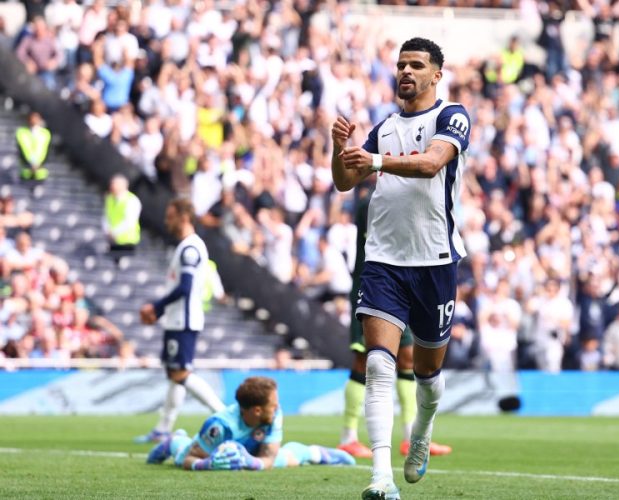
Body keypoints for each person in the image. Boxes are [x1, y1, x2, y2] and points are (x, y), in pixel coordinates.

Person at [331, 37, 470, 499]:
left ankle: (423, 432)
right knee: (378, 365)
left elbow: (431, 164)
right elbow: (344, 182)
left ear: (436, 75)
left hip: (434, 260)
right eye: (401, 65)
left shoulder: (452, 116)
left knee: (427, 373)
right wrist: (340, 150)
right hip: (384, 261)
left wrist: (372, 160)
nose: (406, 72)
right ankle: (381, 476)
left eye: (416, 65)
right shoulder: (384, 127)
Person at [337, 183, 452, 460]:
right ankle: (348, 436)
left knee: (408, 359)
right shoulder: (371, 201)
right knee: (365, 359)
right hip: (376, 285)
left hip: (404, 285)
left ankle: (409, 435)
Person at [135, 198, 225, 443]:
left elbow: (185, 287)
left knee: (180, 373)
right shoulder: (187, 247)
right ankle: (163, 429)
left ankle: (225, 416)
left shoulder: (190, 249)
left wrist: (157, 307)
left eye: (170, 215)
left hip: (183, 320)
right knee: (174, 372)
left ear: (184, 218)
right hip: (177, 319)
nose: (167, 221)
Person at [146, 376, 355, 470]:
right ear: (257, 410)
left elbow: (270, 458)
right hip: (209, 453)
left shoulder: (274, 413)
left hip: (251, 452)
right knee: (181, 451)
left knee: (287, 459)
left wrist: (250, 461)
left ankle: (317, 454)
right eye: (273, 405)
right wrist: (205, 465)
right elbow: (189, 459)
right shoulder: (219, 426)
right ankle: (172, 440)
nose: (278, 407)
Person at [102, 174, 142, 265]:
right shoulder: (109, 198)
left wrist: (114, 232)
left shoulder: (132, 201)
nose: (111, 187)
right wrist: (107, 230)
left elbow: (129, 222)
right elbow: (106, 216)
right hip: (112, 240)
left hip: (127, 241)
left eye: (114, 184)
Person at [16, 111, 51, 182]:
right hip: (26, 171)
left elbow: (46, 151)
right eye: (32, 118)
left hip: (40, 173)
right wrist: (30, 164)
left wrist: (39, 164)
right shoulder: (22, 132)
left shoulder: (45, 133)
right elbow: (21, 150)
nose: (34, 120)